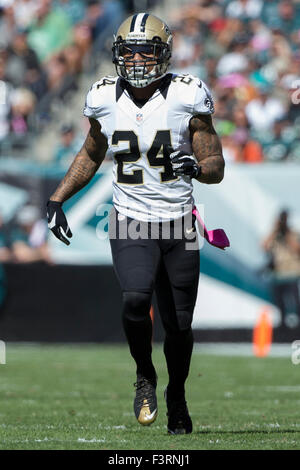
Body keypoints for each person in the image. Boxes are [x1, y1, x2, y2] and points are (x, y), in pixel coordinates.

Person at [46, 13, 225, 435]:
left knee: (179, 324)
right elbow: (91, 152)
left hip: (178, 222)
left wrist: (197, 169)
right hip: (130, 219)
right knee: (134, 298)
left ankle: (176, 393)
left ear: (164, 53)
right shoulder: (104, 96)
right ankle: (145, 375)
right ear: (116, 54)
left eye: (147, 50)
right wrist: (57, 198)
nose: (138, 58)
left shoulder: (187, 94)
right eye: (130, 50)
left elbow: (216, 164)